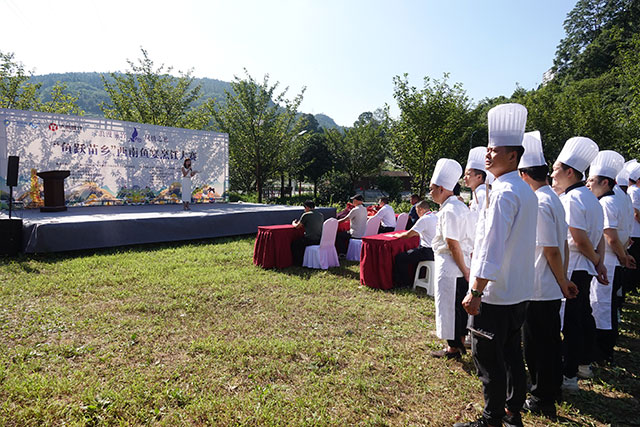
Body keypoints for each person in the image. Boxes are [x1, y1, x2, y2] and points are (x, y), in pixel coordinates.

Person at [457, 103, 535, 427]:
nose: (487, 155)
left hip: (496, 294)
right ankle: (512, 409)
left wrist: (476, 290)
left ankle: (492, 419)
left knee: (489, 357)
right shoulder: (524, 190)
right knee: (513, 353)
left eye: (495, 150)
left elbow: (492, 246)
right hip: (518, 291)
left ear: (513, 156)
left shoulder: (503, 193)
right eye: (487, 149)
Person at [518, 130, 578, 418]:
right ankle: (550, 389)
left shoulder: (540, 202)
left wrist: (562, 280)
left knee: (538, 345)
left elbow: (552, 249)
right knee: (551, 341)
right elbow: (562, 248)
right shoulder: (553, 198)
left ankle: (542, 398)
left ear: (524, 176)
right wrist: (563, 279)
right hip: (550, 285)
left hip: (540, 285)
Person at [550, 136, 606, 392]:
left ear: (569, 172)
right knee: (583, 316)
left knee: (571, 323)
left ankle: (569, 375)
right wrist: (599, 262)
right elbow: (600, 239)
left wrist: (596, 260)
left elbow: (579, 237)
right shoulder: (591, 197)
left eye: (555, 169)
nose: (552, 173)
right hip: (585, 267)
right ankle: (584, 363)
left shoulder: (571, 199)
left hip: (574, 266)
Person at [585, 151, 631, 365]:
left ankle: (601, 353)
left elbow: (610, 236)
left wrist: (622, 257)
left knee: (601, 306)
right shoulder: (618, 198)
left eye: (592, 180)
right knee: (606, 305)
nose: (588, 184)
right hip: (614, 259)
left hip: (609, 261)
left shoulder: (606, 203)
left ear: (605, 182)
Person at [428, 158, 474, 360]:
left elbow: (453, 243)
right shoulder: (460, 207)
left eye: (431, 189)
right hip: (461, 262)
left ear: (441, 188)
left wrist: (464, 269)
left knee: (450, 306)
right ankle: (459, 341)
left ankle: (453, 347)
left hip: (451, 264)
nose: (430, 193)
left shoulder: (449, 210)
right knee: (458, 306)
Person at [391, 200, 437, 287]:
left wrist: (398, 235)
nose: (417, 213)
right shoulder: (435, 216)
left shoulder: (424, 219)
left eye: (416, 211)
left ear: (420, 209)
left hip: (427, 251)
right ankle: (415, 278)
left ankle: (404, 283)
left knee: (400, 258)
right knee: (412, 255)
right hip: (435, 250)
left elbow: (409, 234)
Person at [290, 200, 324, 266]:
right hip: (319, 239)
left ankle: (298, 263)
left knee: (295, 244)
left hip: (310, 240)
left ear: (307, 207)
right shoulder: (320, 215)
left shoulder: (306, 215)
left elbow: (297, 226)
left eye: (304, 208)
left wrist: (293, 223)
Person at [465, 146, 490, 213]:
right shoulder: (478, 193)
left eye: (468, 174)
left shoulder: (481, 195)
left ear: (479, 177)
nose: (465, 178)